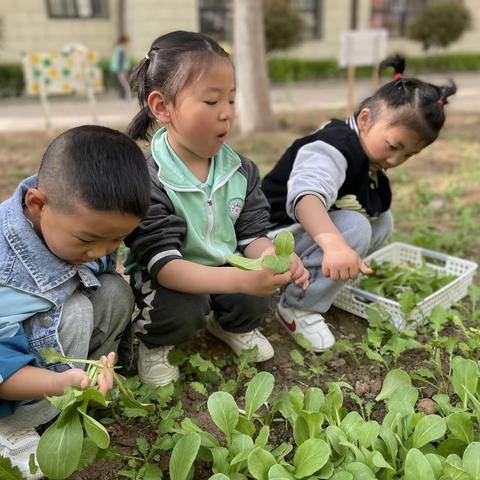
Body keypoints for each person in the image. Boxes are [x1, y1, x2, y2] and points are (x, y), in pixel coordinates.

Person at [125, 30, 309, 387]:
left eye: (231, 101)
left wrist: (272, 256)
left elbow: (251, 233)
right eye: (211, 102)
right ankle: (155, 342)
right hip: (168, 276)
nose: (226, 115)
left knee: (256, 293)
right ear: (162, 107)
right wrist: (241, 278)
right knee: (181, 306)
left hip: (224, 264)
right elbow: (165, 266)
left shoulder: (241, 170)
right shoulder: (149, 178)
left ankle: (230, 325)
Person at [261, 55, 456, 352]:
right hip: (270, 238)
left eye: (407, 156)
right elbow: (307, 198)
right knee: (354, 226)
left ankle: (321, 280)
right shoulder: (332, 147)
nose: (395, 160)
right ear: (365, 120)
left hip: (297, 235)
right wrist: (334, 244)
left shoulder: (370, 158)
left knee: (381, 220)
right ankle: (297, 307)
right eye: (393, 147)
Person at [0, 125, 150, 478]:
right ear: (36, 205)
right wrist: (57, 383)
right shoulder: (7, 278)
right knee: (79, 308)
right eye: (88, 240)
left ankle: (86, 391)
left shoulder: (73, 221)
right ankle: (11, 430)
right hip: (10, 380)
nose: (99, 252)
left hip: (48, 350)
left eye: (116, 240)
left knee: (113, 291)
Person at [110, 35, 132, 101]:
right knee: (125, 84)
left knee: (122, 84)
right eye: (128, 42)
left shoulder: (118, 49)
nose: (130, 43)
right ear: (124, 42)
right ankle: (127, 97)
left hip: (118, 70)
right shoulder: (121, 50)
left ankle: (124, 97)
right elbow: (120, 61)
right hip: (121, 70)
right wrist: (122, 71)